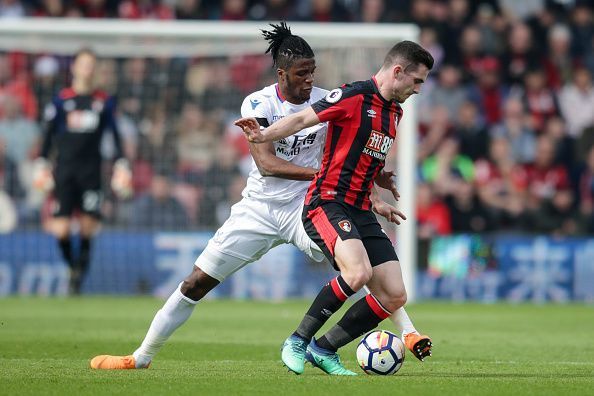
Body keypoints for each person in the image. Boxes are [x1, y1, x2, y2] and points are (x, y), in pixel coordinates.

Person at [90, 23, 431, 371]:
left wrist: (367, 188)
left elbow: (351, 152)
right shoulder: (257, 102)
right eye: (302, 73)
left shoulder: (330, 99)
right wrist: (333, 177)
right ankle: (141, 356)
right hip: (259, 208)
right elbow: (267, 164)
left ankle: (402, 332)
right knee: (196, 282)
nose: (310, 79)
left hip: (308, 204)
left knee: (358, 268)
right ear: (282, 73)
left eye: (313, 71)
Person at [237, 40, 434, 375]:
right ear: (398, 72)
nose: (417, 90)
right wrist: (263, 135)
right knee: (358, 274)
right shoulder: (354, 96)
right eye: (417, 81)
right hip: (327, 201)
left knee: (394, 296)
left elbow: (363, 158)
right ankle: (297, 340)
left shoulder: (395, 112)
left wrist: (376, 196)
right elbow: (301, 120)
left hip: (360, 207)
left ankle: (324, 348)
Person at [32, 48, 132, 294]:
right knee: (62, 229)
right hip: (64, 171)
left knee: (88, 227)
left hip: (91, 172)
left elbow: (114, 135)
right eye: (83, 64)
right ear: (74, 68)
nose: (87, 68)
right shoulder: (61, 99)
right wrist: (42, 162)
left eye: (91, 64)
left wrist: (121, 163)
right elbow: (48, 135)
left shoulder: (103, 101)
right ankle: (73, 267)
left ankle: (76, 282)